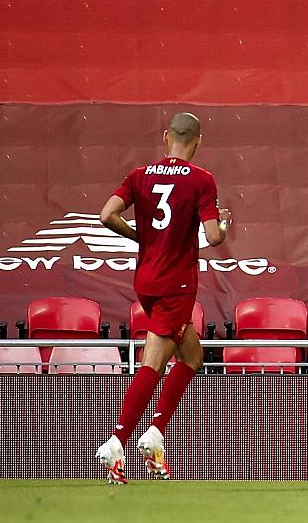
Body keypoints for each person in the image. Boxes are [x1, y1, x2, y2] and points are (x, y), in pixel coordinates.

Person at [94, 111, 231, 484]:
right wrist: (224, 223)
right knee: (152, 363)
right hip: (177, 284)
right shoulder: (202, 180)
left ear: (166, 135)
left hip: (147, 280)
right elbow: (214, 237)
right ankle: (118, 440)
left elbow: (107, 215)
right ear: (198, 141)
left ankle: (154, 436)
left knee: (192, 355)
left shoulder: (140, 175)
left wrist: (141, 237)